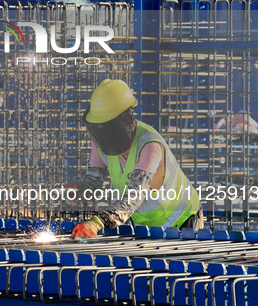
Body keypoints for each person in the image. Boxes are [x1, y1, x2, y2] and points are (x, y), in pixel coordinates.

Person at [71, 79, 203, 239]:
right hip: (146, 226)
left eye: (106, 128)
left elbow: (134, 195)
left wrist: (97, 222)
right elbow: (93, 179)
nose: (102, 135)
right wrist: (80, 189)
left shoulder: (150, 145)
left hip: (182, 221)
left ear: (126, 120)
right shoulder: (102, 142)